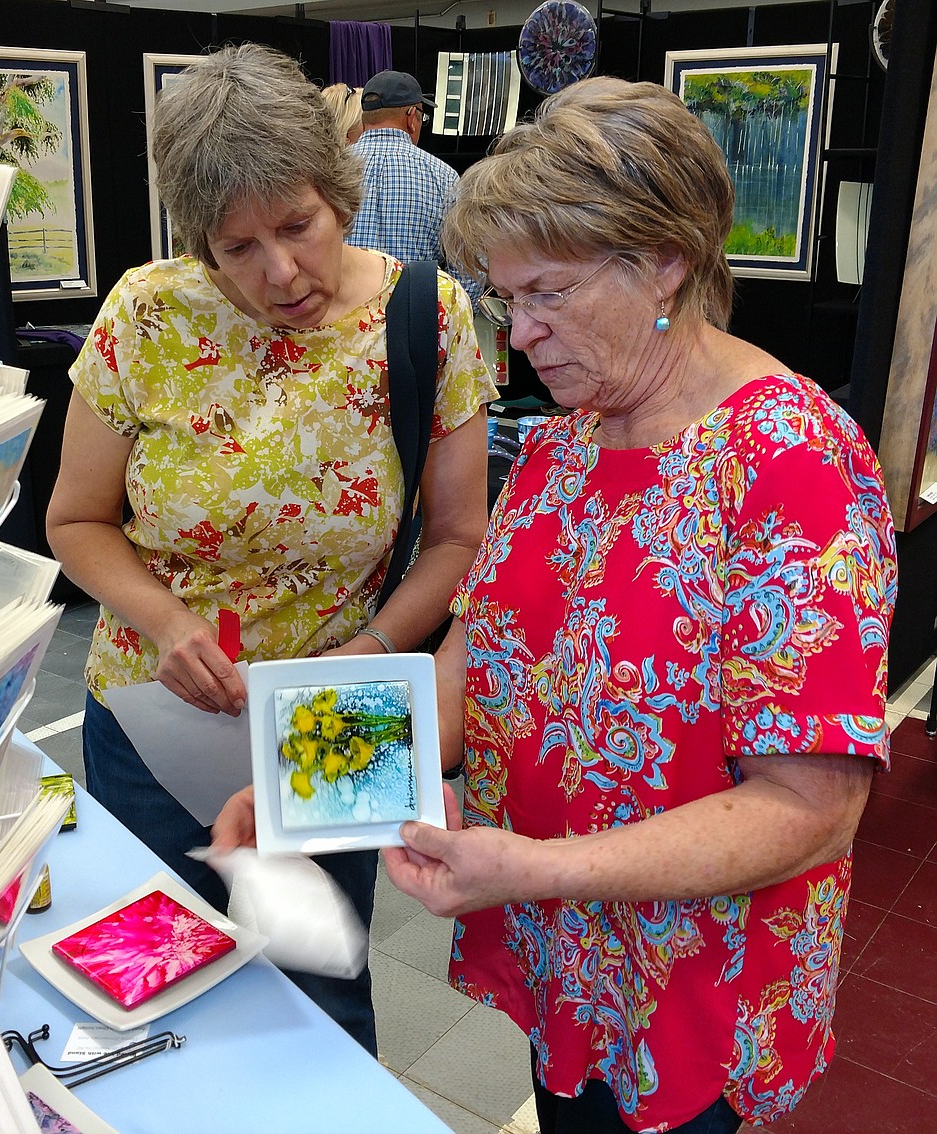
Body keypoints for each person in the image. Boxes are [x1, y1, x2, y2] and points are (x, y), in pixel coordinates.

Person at [215, 76, 898, 1130]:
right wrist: (306, 773)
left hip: (695, 986)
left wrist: (537, 869)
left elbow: (810, 808)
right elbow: (476, 668)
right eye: (504, 298)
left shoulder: (792, 463)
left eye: (548, 294)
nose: (519, 334)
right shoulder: (567, 443)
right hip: (567, 959)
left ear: (664, 259)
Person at [46, 42, 497, 1057]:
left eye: (298, 226)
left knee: (317, 1001)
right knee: (151, 992)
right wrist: (165, 622)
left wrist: (372, 650)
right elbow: (74, 519)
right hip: (154, 715)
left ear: (340, 193)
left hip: (340, 714)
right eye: (236, 248)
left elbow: (462, 535)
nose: (280, 271)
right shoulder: (147, 315)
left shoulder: (427, 315)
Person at [346, 69, 481, 305]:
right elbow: (469, 269)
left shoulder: (329, 170)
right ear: (411, 117)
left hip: (342, 328)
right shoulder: (443, 177)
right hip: (416, 325)